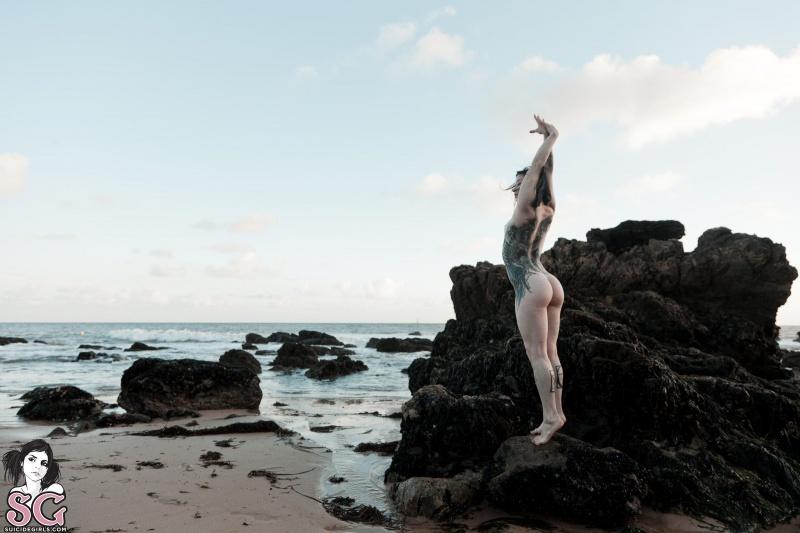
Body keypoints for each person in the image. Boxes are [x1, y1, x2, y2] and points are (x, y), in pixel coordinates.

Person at [502, 114, 565, 445]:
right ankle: (556, 414)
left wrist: (551, 138)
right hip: (548, 281)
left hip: (530, 282)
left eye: (520, 182)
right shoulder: (548, 207)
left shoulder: (524, 209)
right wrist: (546, 142)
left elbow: (539, 169)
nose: (516, 186)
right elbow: (546, 172)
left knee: (537, 353)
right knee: (551, 351)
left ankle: (550, 416)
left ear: (527, 185)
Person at [2, 439, 64, 506]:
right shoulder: (16, 493)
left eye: (44, 463)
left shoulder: (54, 489)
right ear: (21, 462)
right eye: (31, 459)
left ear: (47, 469)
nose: (38, 466)